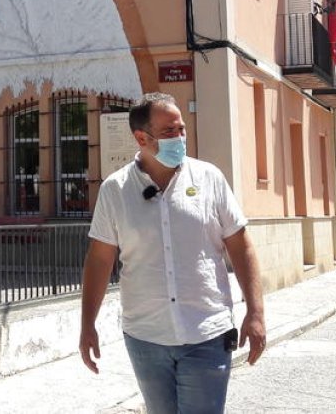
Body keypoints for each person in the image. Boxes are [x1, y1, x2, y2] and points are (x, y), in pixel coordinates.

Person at [79, 92, 265, 414]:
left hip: (206, 333)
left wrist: (256, 311)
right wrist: (87, 325)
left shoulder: (209, 179)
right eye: (169, 132)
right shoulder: (115, 190)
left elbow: (240, 243)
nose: (179, 137)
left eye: (181, 129)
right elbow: (99, 258)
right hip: (145, 337)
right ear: (141, 138)